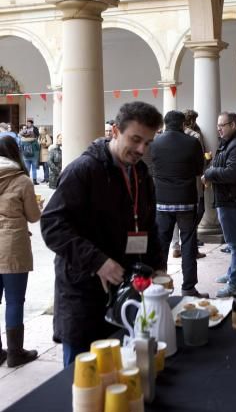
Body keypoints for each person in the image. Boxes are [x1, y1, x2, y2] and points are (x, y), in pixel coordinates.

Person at [41, 102, 163, 366]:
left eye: (148, 142)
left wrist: (157, 268)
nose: (142, 149)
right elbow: (52, 226)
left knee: (119, 372)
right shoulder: (84, 170)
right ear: (115, 131)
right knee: (83, 378)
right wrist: (98, 262)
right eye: (136, 139)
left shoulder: (141, 173)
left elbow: (149, 225)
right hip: (84, 293)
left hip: (125, 291)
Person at [150, 111, 207, 297]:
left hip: (162, 202)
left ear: (165, 124)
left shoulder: (155, 143)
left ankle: (159, 286)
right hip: (186, 202)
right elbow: (200, 169)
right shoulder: (192, 143)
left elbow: (150, 168)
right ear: (183, 124)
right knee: (188, 245)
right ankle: (189, 287)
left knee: (162, 246)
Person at [203, 112, 236, 297]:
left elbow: (232, 173)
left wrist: (210, 173)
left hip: (232, 200)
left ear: (233, 125)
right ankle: (231, 273)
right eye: (218, 125)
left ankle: (235, 282)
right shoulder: (231, 142)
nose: (218, 128)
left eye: (222, 125)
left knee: (235, 244)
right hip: (232, 198)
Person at [0, 135, 42, 367]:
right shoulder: (21, 180)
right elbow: (34, 217)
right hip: (11, 245)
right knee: (14, 301)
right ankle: (15, 353)